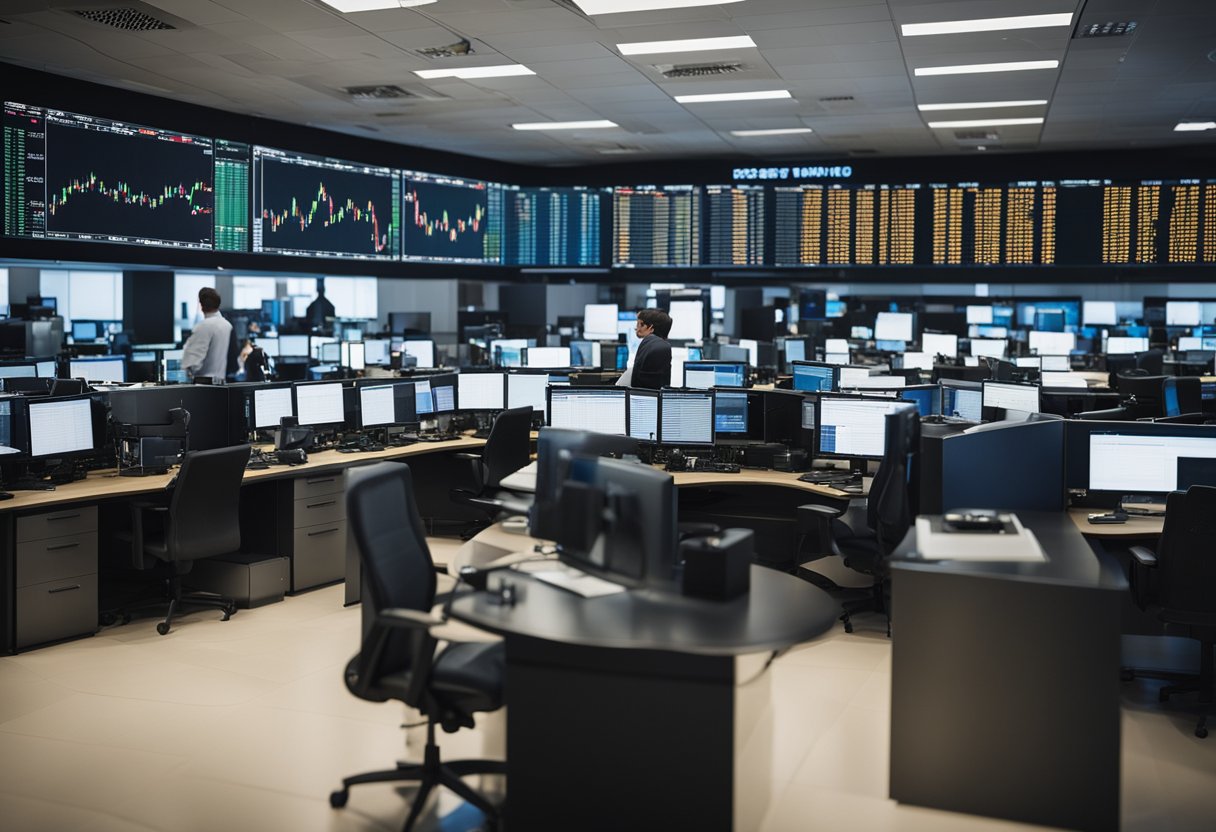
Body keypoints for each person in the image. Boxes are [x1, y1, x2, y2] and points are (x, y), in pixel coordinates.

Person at [181, 287, 234, 382]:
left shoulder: (203, 326)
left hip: (204, 383)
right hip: (222, 382)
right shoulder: (227, 325)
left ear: (201, 305)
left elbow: (192, 362)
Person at [628, 308, 672, 390]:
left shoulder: (653, 346)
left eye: (640, 324)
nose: (636, 328)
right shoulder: (654, 345)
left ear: (651, 328)